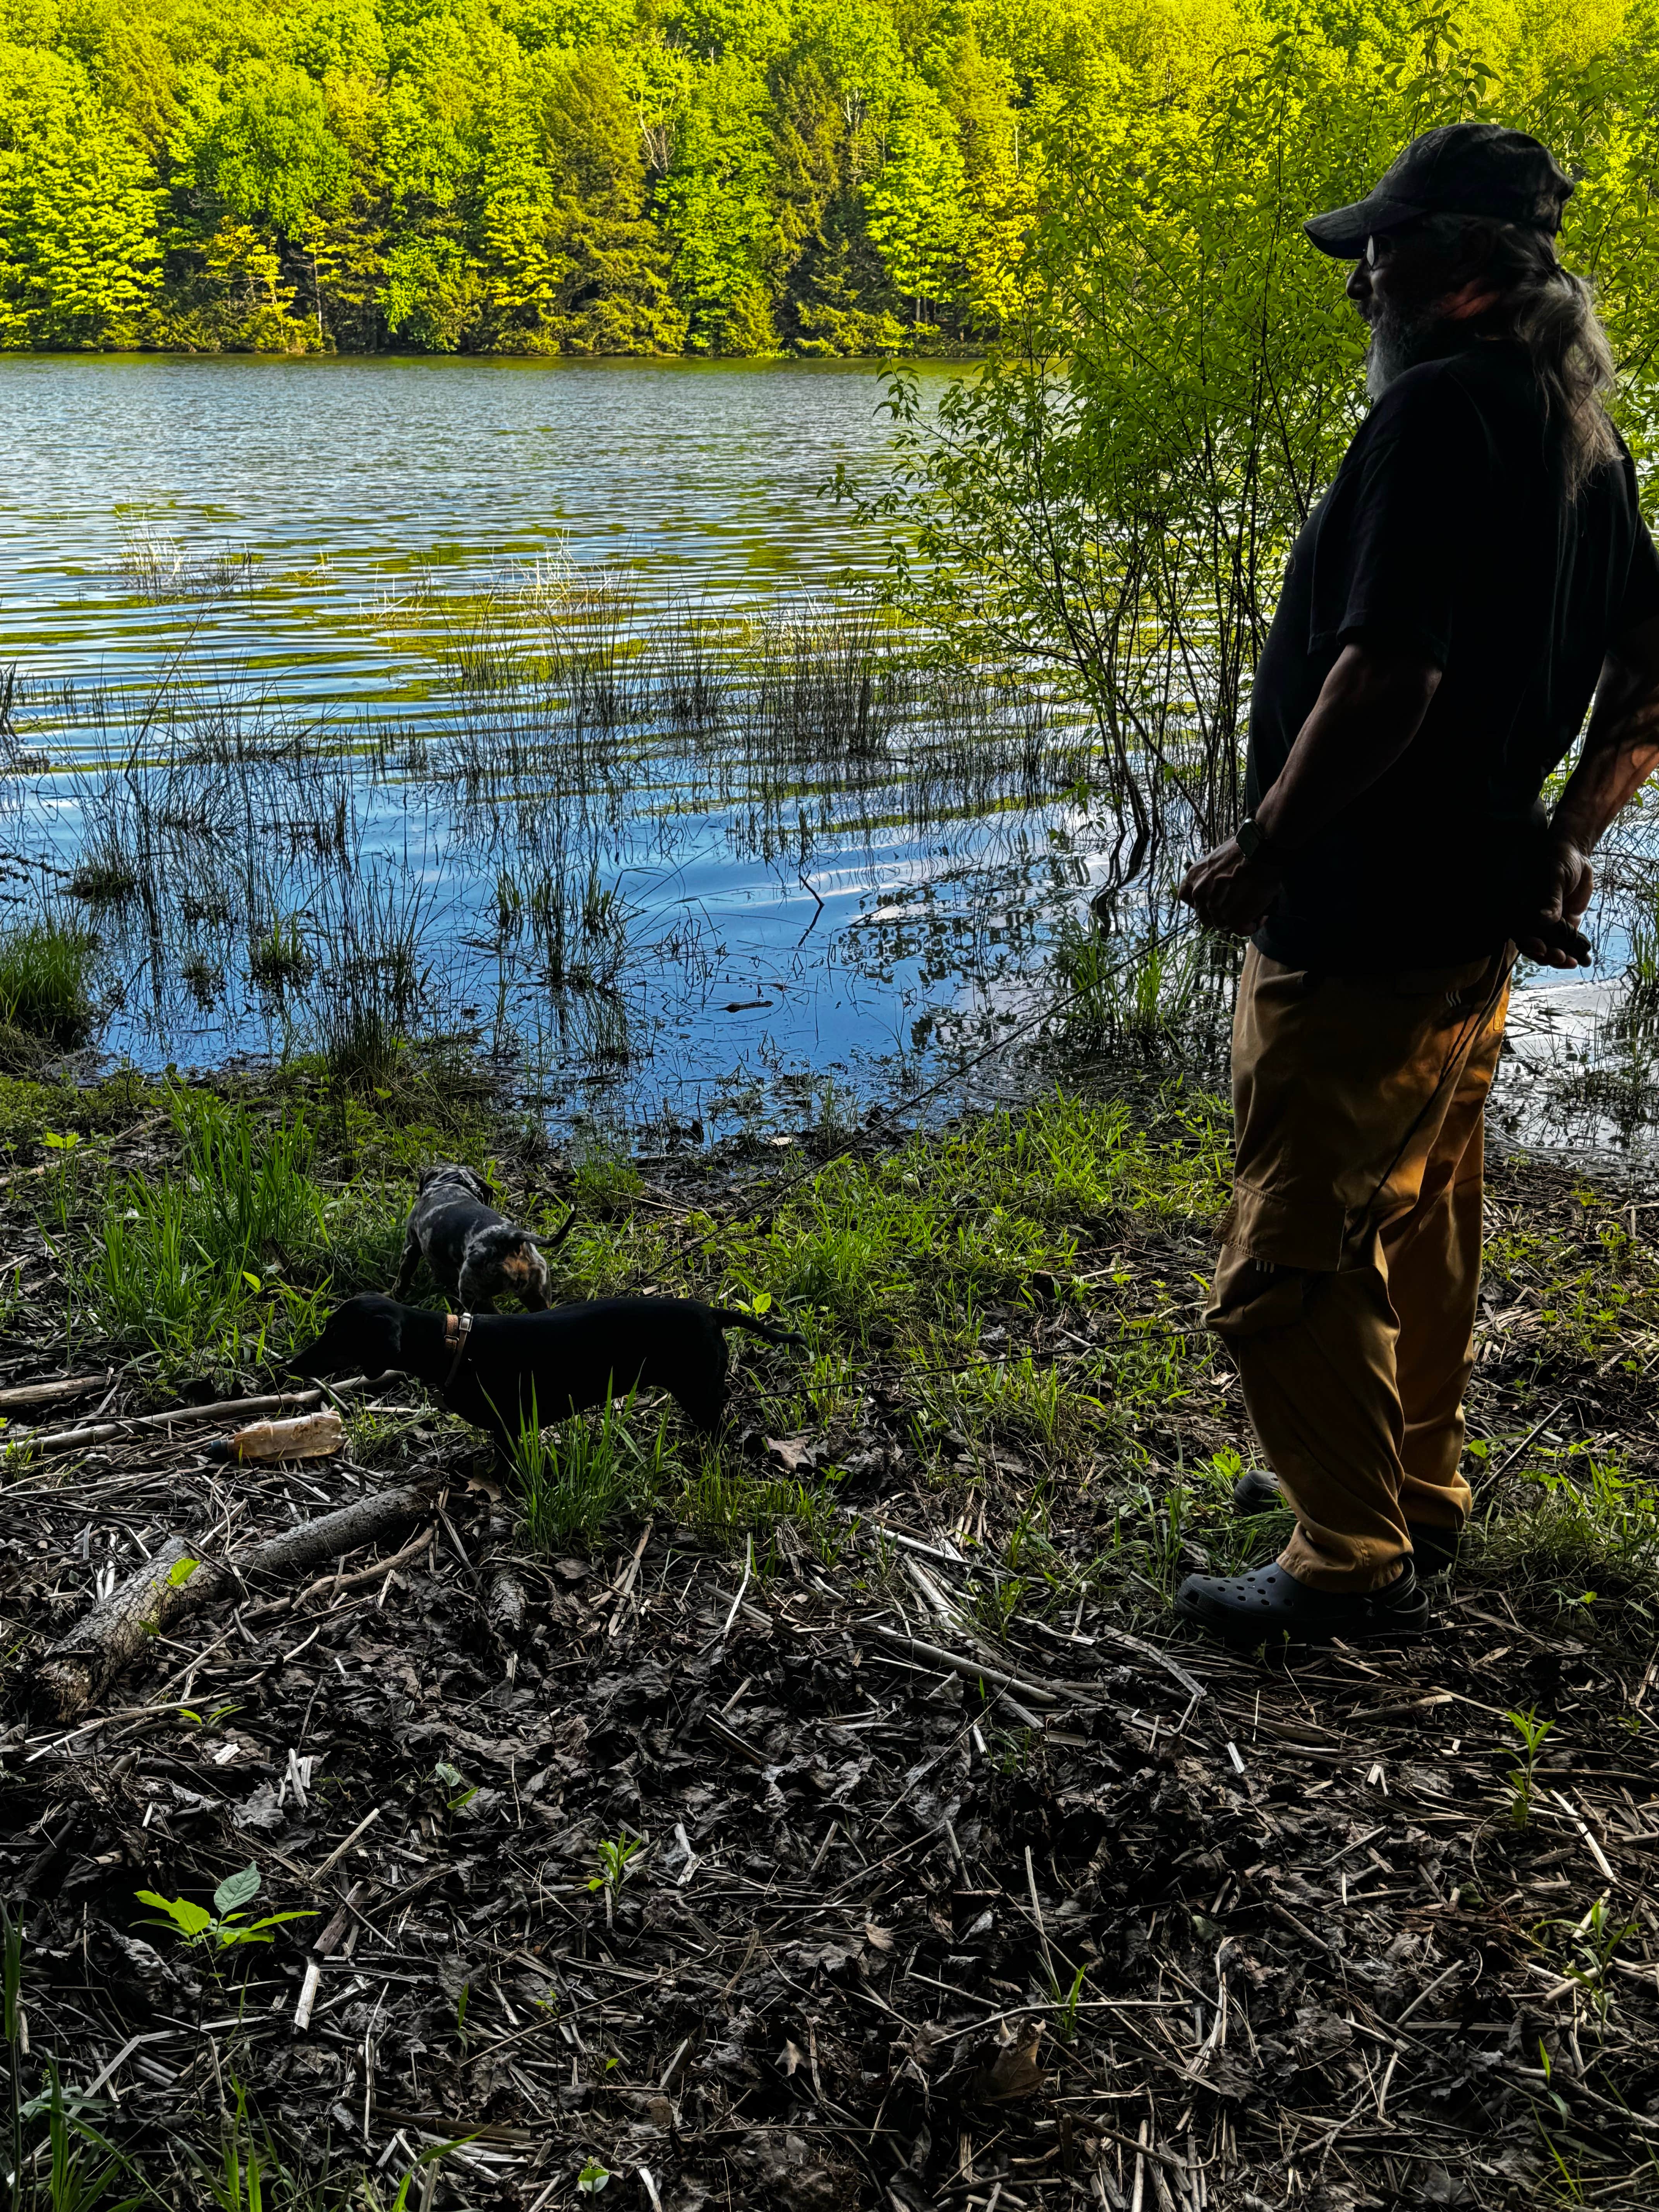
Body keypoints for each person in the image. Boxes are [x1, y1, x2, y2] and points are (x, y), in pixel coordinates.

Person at [1173, 122, 1659, 1647]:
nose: (1354, 286)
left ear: (1458, 271)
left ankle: (1348, 1558)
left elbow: (1387, 672)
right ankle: (1408, 1489)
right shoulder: (1580, 431)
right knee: (1423, 1215)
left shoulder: (1438, 415)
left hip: (1364, 919)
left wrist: (1266, 847)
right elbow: (1650, 675)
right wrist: (1569, 833)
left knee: (1284, 1260)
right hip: (1463, 921)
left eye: (1375, 257)